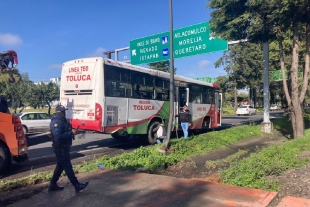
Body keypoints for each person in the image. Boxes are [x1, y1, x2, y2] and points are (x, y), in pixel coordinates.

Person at [49, 105, 89, 193]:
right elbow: (58, 136)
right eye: (63, 111)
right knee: (67, 166)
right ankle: (76, 185)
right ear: (58, 112)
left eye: (64, 111)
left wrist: (70, 139)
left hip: (64, 147)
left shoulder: (62, 120)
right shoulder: (56, 121)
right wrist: (71, 133)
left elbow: (66, 131)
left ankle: (52, 185)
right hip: (60, 148)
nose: (64, 113)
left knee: (60, 166)